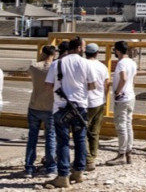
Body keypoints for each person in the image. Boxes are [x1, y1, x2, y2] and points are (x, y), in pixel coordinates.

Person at [44, 37, 96, 188]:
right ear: (79, 48)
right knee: (80, 139)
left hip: (61, 107)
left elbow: (48, 86)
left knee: (63, 141)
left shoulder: (57, 63)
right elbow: (92, 86)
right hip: (80, 107)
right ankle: (78, 172)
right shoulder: (86, 63)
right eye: (84, 47)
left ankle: (62, 176)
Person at [23, 46, 58, 178]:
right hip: (50, 106)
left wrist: (40, 58)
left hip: (34, 105)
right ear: (54, 54)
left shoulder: (34, 67)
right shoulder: (54, 68)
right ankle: (50, 168)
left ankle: (29, 167)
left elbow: (30, 71)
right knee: (50, 137)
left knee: (32, 137)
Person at [106, 41, 137, 166]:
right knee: (128, 124)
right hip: (131, 96)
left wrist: (118, 92)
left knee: (121, 126)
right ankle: (129, 151)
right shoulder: (132, 62)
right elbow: (133, 80)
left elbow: (123, 78)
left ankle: (121, 153)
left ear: (118, 50)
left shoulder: (121, 63)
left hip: (122, 98)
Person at [84, 43, 109, 171]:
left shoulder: (83, 64)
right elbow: (106, 84)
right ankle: (92, 158)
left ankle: (87, 159)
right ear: (97, 53)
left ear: (85, 52)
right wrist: (104, 98)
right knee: (94, 132)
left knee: (82, 132)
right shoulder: (102, 67)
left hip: (86, 102)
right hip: (99, 101)